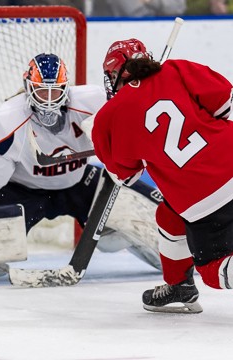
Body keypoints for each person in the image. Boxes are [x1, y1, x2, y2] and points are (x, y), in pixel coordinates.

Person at [0, 52, 162, 280]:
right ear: (28, 87)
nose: (49, 99)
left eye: (55, 91)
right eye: (42, 91)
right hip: (24, 191)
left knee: (120, 232)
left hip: (79, 184)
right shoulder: (7, 120)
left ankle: (184, 257)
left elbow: (135, 110)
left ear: (66, 87)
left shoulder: (93, 101)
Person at [91, 38, 233, 313]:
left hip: (203, 197)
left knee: (214, 273)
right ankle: (179, 286)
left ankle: (190, 282)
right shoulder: (177, 69)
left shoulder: (108, 118)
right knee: (168, 217)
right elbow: (224, 104)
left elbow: (127, 176)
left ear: (116, 74)